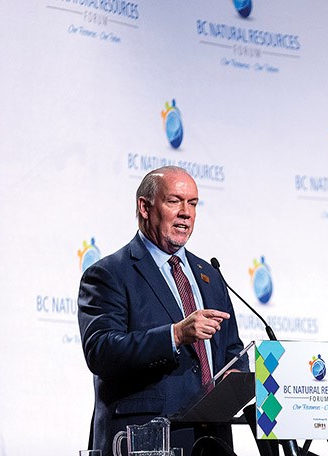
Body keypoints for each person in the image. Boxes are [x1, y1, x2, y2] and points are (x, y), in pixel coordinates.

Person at [78, 166, 249, 456]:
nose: (186, 212)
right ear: (145, 207)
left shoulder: (209, 274)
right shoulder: (109, 274)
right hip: (142, 440)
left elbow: (231, 348)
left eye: (192, 204)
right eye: (174, 201)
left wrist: (237, 374)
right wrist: (176, 334)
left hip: (211, 441)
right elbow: (101, 351)